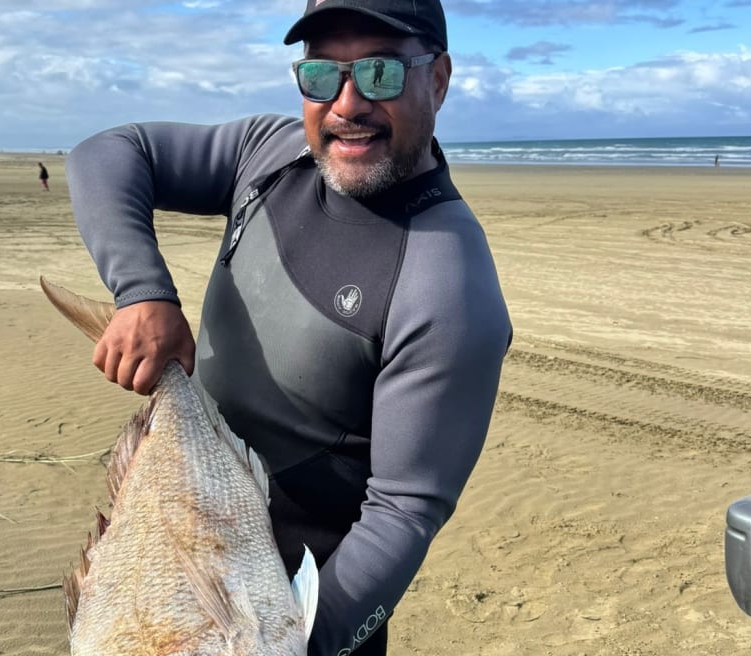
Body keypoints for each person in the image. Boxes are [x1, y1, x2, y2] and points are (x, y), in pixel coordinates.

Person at [64, 1, 511, 654]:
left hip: (300, 618)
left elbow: (405, 512)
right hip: (161, 558)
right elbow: (107, 154)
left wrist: (299, 643)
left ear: (437, 80)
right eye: (322, 74)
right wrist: (142, 293)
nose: (347, 104)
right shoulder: (268, 153)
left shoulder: (449, 282)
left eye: (381, 72)